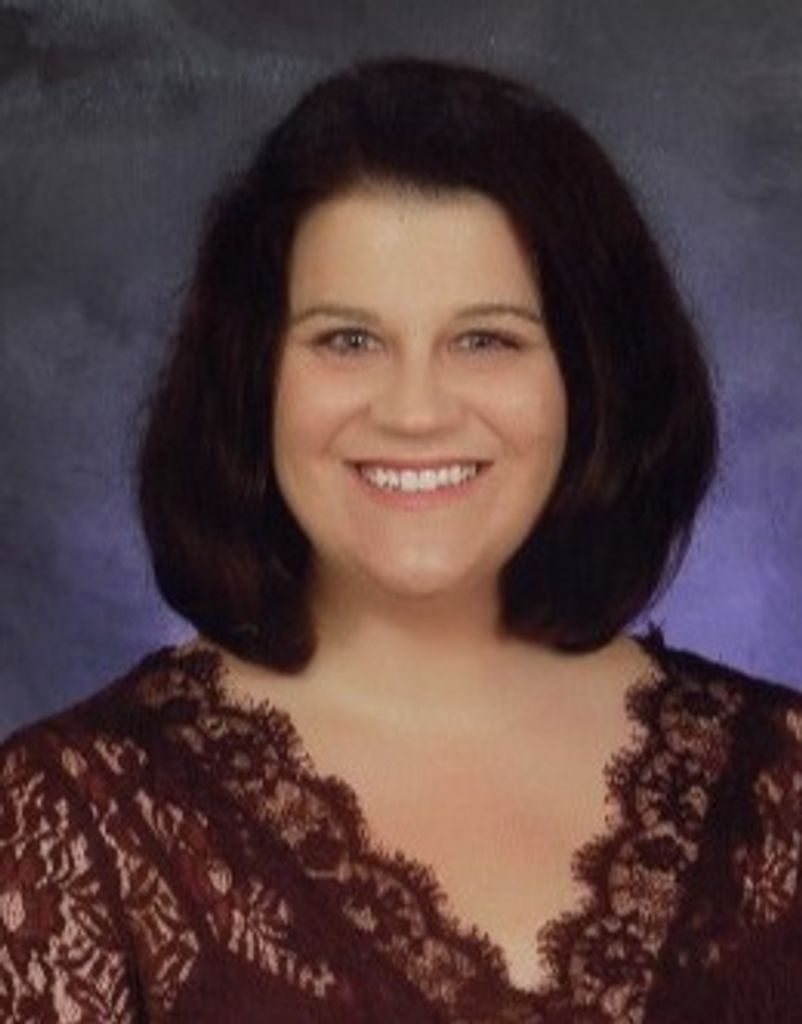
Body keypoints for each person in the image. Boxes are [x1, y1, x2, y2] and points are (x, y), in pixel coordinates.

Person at [1, 56, 800, 1024]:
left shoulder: (784, 780)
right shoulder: (72, 816)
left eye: (485, 339)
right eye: (347, 340)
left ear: (588, 379)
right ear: (255, 379)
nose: (414, 412)